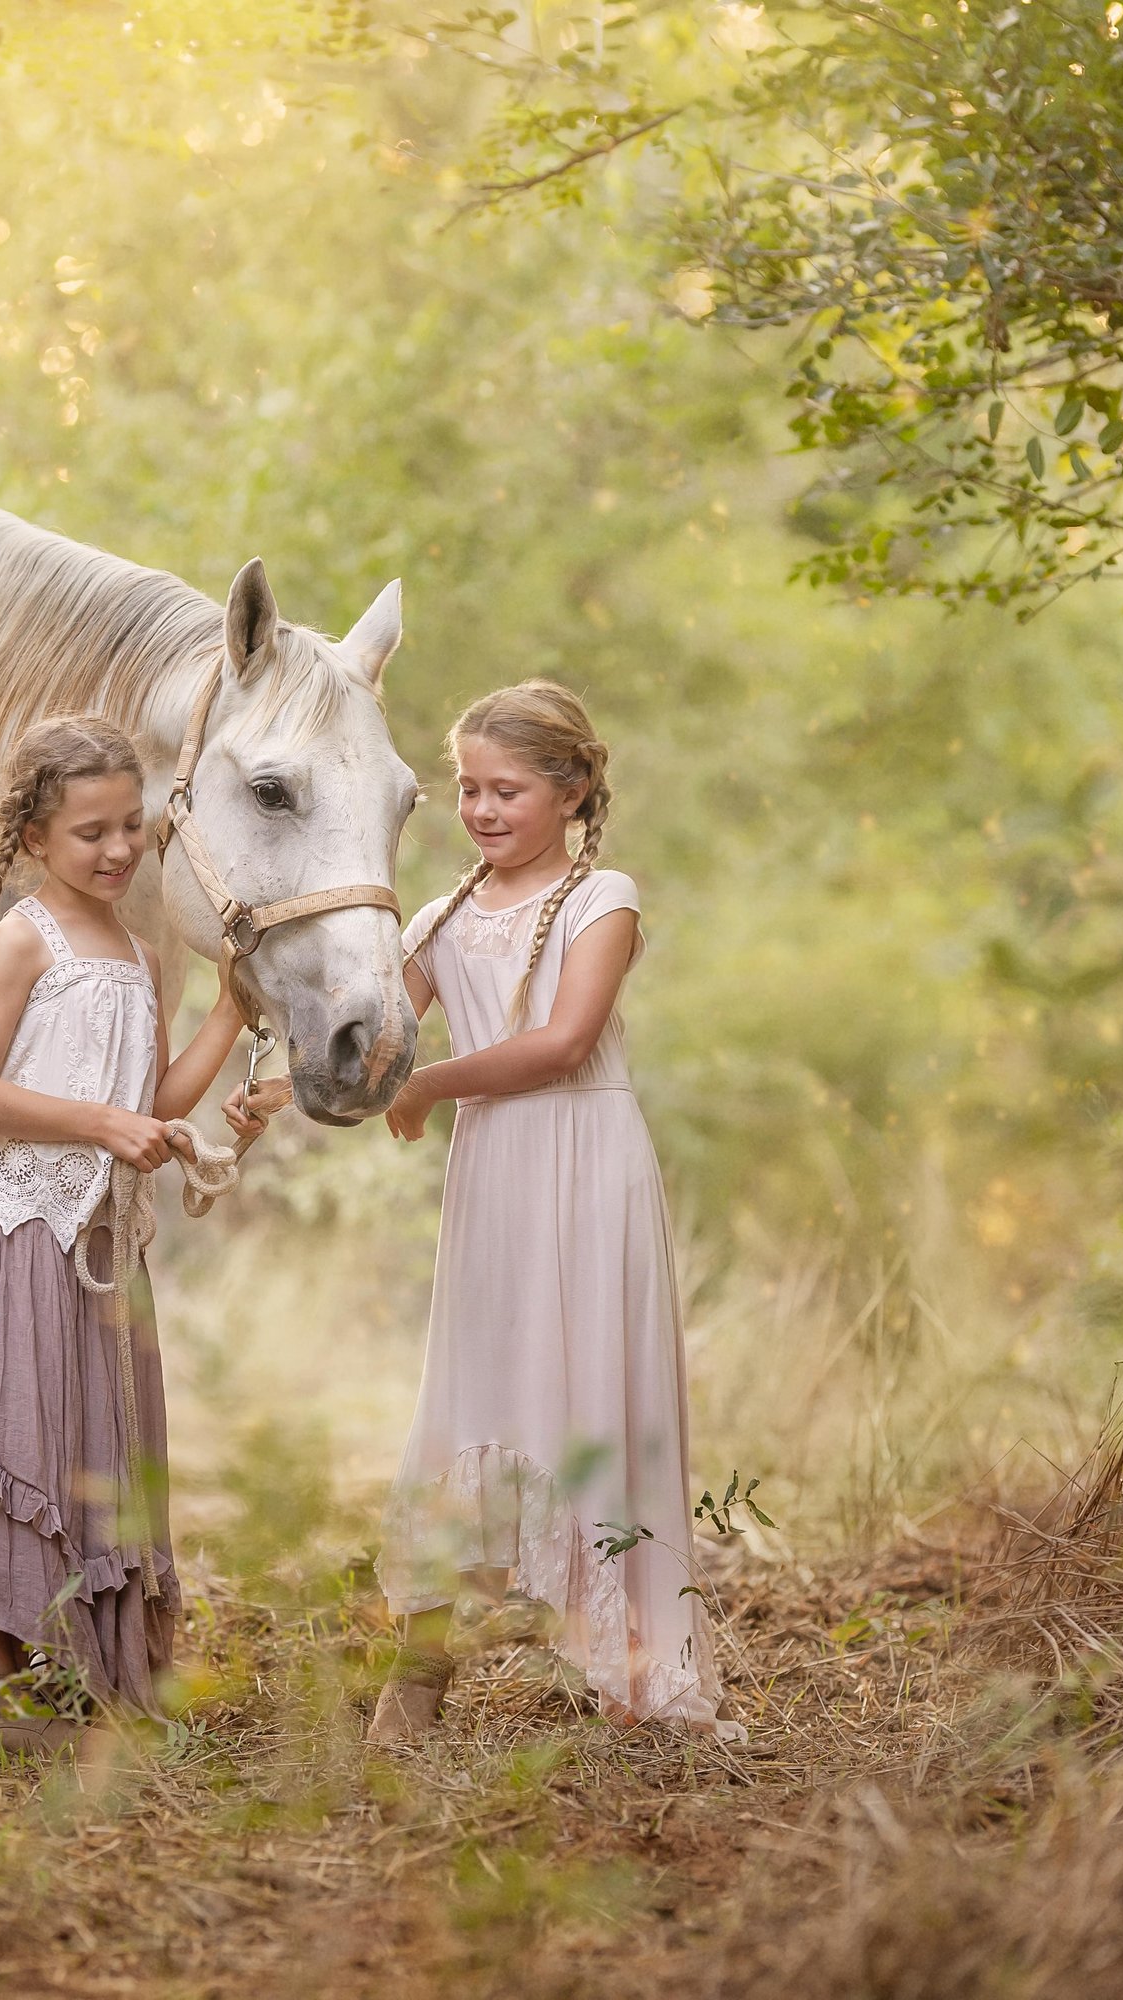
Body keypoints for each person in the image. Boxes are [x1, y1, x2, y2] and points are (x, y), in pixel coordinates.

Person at [353, 680, 731, 1738]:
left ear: (570, 791)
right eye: (467, 787)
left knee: (592, 1397)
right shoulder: (439, 917)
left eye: (505, 789)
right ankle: (417, 1673)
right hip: (496, 1177)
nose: (479, 808)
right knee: (467, 1402)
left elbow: (564, 1042)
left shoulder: (602, 897)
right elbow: (374, 1038)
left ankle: (632, 1662)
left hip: (587, 1160)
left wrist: (428, 1084)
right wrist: (282, 1088)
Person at [0, 714, 252, 1754]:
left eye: (131, 825)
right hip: (16, 1223)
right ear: (36, 840)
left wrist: (228, 1014)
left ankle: (77, 1663)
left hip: (98, 1236)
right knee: (10, 1429)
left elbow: (149, 1091)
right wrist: (102, 1123)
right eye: (90, 830)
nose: (116, 848)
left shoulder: (135, 952)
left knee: (88, 1442)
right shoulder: (23, 939)